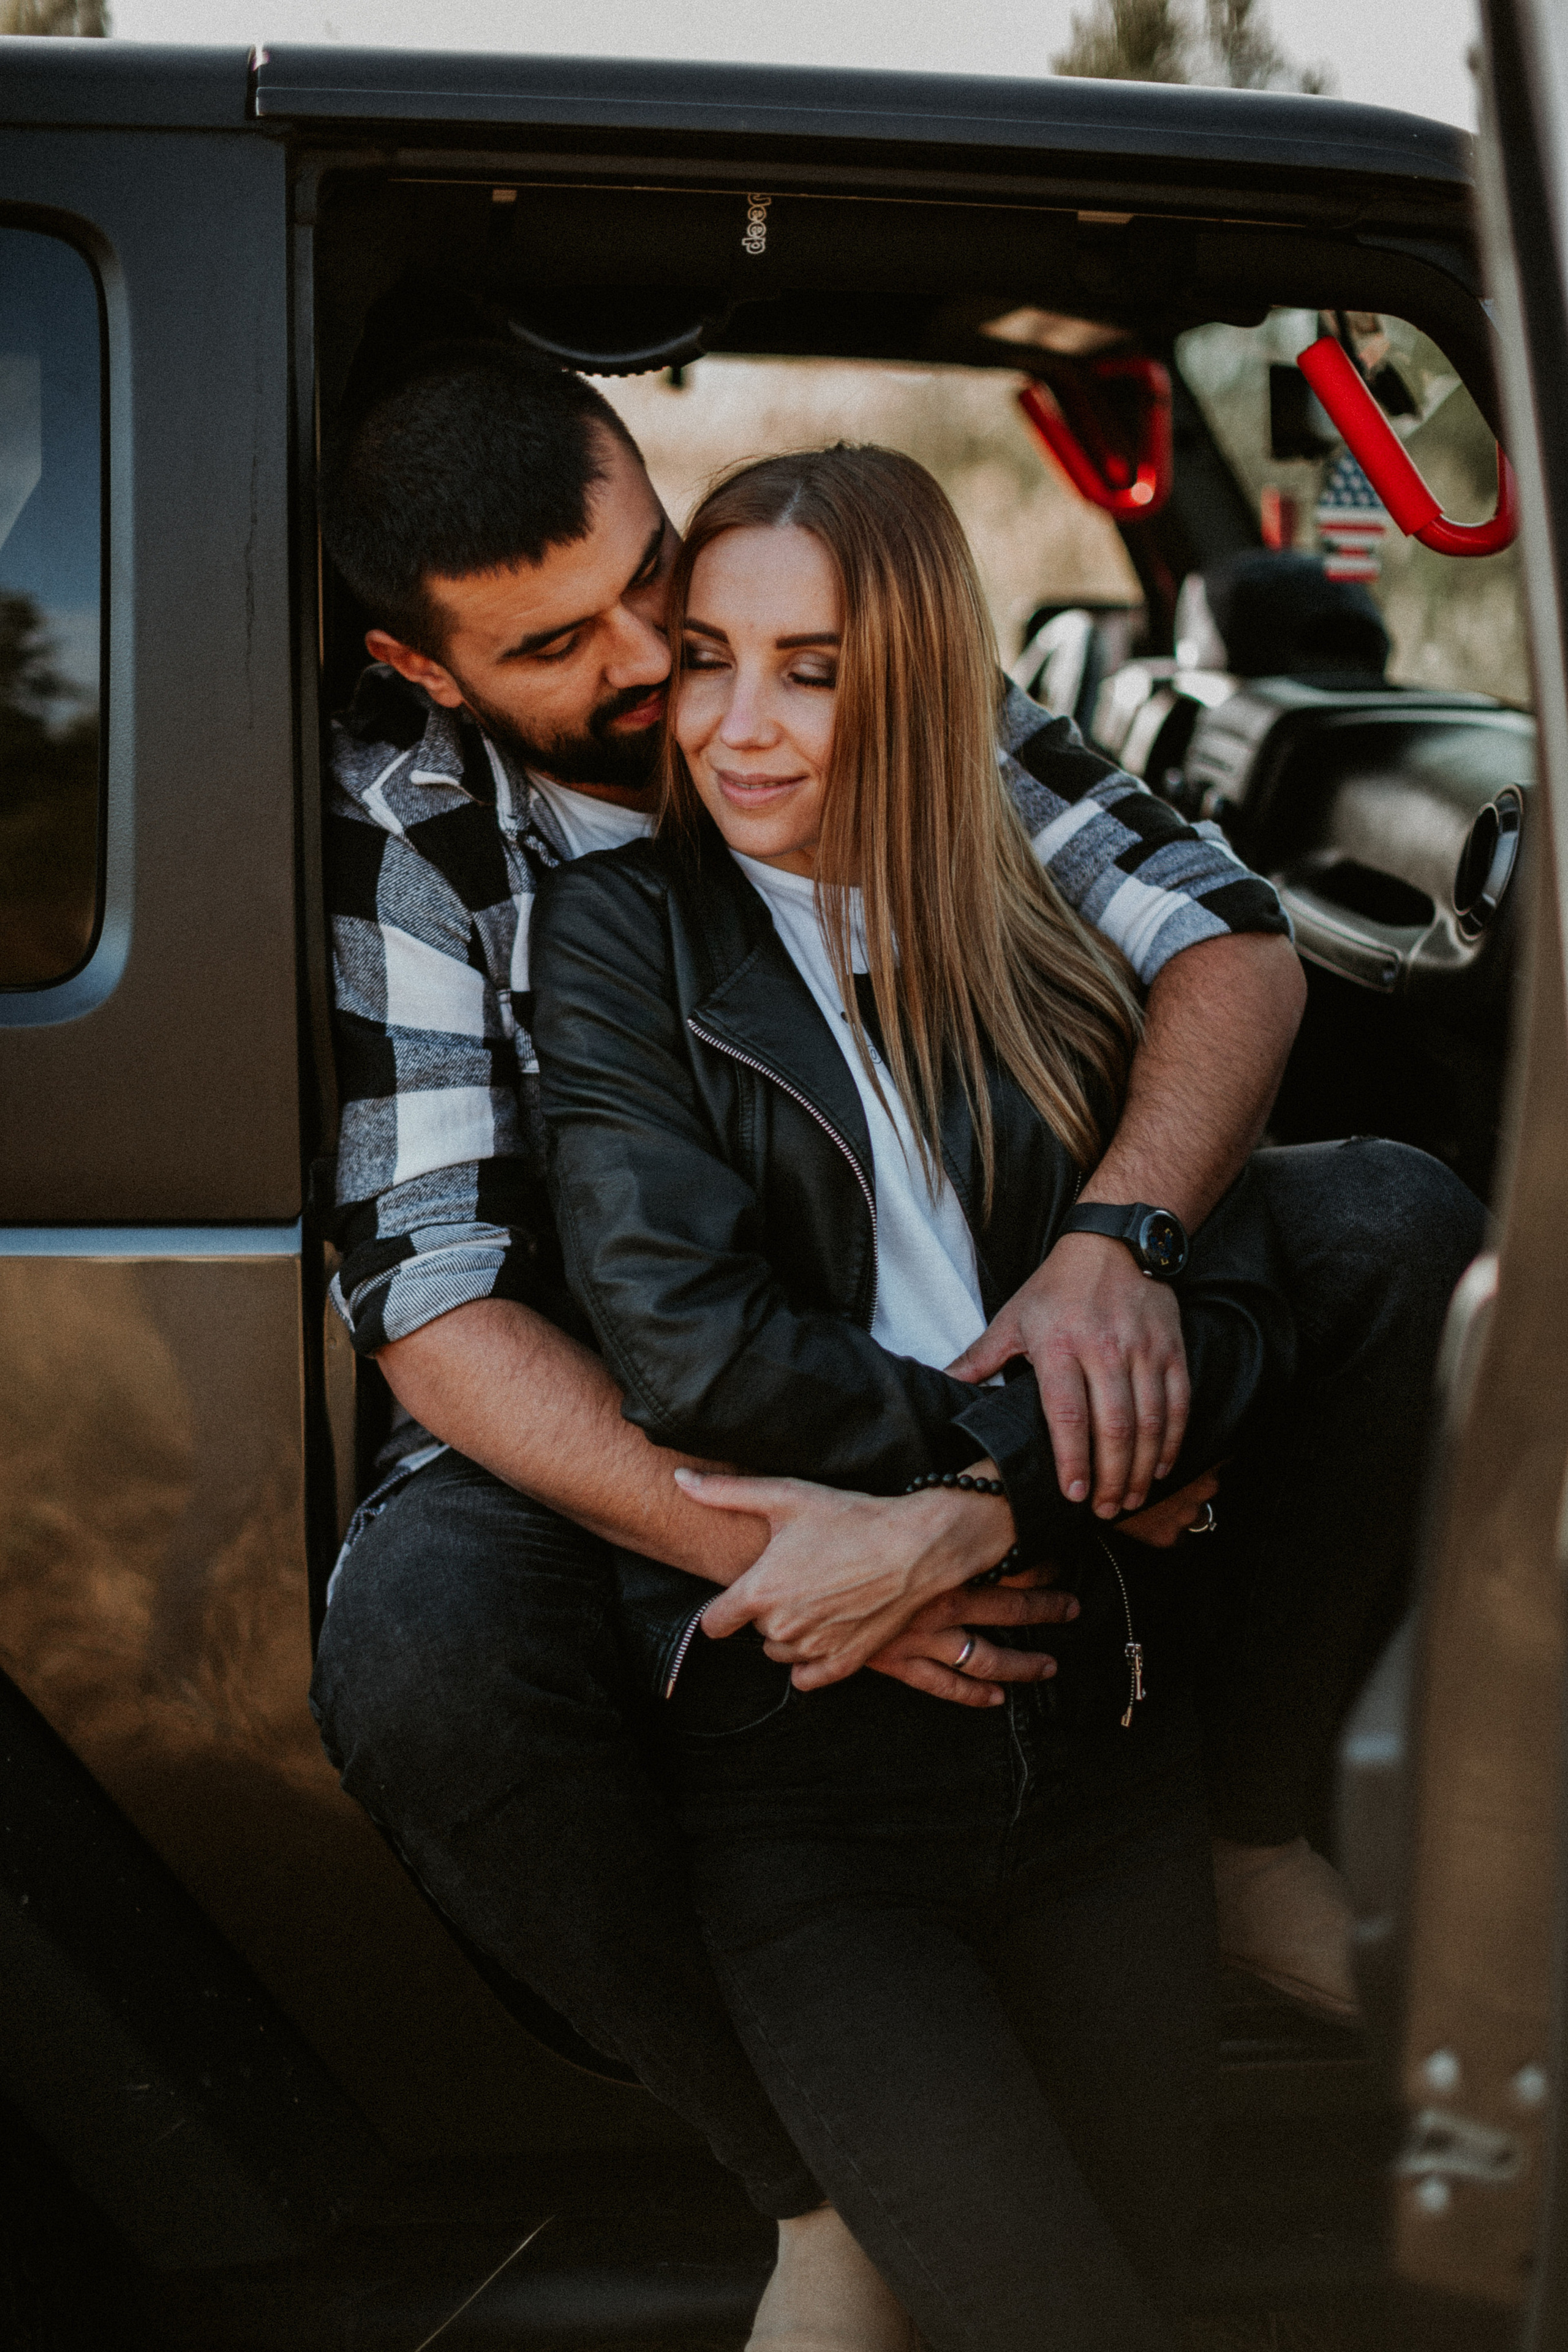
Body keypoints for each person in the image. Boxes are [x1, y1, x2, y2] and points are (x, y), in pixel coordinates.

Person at [308, 338, 1483, 2340]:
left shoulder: (805, 667)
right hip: (658, 1395)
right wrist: (808, 1540)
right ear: (424, 669)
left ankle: (1239, 1821)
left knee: (1385, 1220)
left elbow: (1227, 934)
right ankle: (803, 2172)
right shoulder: (431, 827)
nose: (663, 666)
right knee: (420, 1640)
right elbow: (435, 1299)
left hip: (1000, 1327)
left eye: (650, 576)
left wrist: (1120, 1245)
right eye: (561, 646)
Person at [529, 442, 1312, 2346]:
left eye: (812, 667)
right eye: (708, 657)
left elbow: (1249, 1310)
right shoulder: (623, 937)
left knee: (1148, 2285)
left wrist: (970, 1518)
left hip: (1102, 1744)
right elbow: (688, 1345)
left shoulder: (1040, 938)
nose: (737, 726)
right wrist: (1037, 1461)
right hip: (815, 1794)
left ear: (927, 675)